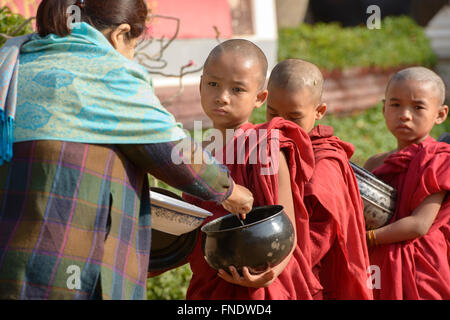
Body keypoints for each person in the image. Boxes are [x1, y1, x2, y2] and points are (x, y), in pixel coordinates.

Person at [0, 0, 254, 300]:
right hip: (70, 273)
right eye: (134, 46)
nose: (132, 58)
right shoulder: (108, 73)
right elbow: (174, 152)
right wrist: (231, 191)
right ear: (120, 34)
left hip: (10, 268)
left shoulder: (13, 61)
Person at [182, 40, 322, 300]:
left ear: (259, 98)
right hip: (209, 282)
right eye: (213, 84)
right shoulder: (195, 151)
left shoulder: (266, 146)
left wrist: (269, 273)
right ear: (201, 85)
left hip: (264, 282)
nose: (222, 96)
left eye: (237, 89)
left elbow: (287, 226)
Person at [266, 59, 373, 299]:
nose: (280, 125)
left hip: (310, 274)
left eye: (294, 118)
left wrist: (268, 260)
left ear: (319, 112)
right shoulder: (266, 147)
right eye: (272, 113)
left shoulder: (324, 163)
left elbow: (319, 237)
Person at [363, 66, 449, 300]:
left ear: (440, 114)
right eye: (395, 105)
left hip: (420, 267)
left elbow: (419, 224)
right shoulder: (375, 163)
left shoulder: (438, 160)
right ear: (383, 109)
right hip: (376, 264)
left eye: (418, 107)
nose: (405, 115)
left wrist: (367, 238)